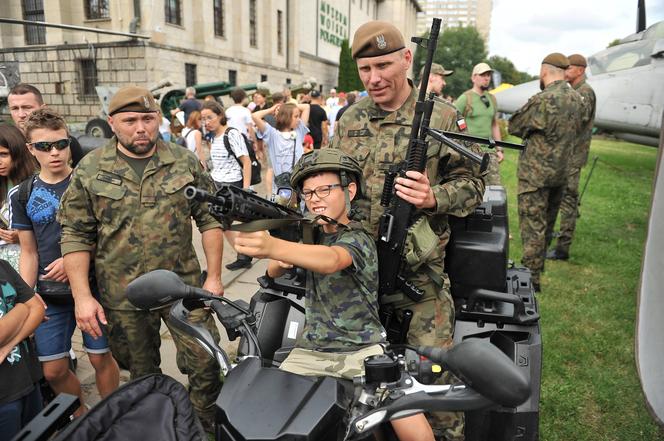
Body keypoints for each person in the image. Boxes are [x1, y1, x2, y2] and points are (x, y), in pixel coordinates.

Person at [330, 21, 485, 441]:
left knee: (435, 394)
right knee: (350, 392)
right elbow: (330, 181)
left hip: (420, 282)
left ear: (407, 58)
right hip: (357, 278)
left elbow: (474, 185)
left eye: (383, 65)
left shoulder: (445, 116)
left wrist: (432, 196)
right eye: (364, 69)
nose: (374, 78)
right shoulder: (350, 118)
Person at [234, 149, 434, 441]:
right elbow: (274, 273)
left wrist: (273, 247)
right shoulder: (310, 235)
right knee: (269, 414)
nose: (315, 198)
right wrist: (280, 256)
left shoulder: (358, 237)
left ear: (349, 190)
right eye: (308, 192)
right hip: (311, 350)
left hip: (363, 349)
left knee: (412, 424)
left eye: (325, 189)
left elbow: (332, 260)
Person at [57, 86, 223, 430]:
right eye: (130, 120)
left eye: (148, 118)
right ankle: (157, 431)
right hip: (124, 296)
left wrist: (215, 277)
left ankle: (203, 429)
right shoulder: (90, 169)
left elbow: (209, 218)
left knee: (208, 364)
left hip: (183, 288)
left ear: (158, 119)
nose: (141, 127)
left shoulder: (183, 160)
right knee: (141, 376)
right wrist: (82, 298)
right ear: (111, 123)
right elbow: (75, 234)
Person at [10, 108, 120, 416]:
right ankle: (80, 416)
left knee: (100, 357)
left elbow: (111, 237)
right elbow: (29, 252)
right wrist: (27, 298)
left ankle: (113, 414)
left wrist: (76, 261)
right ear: (31, 149)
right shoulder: (23, 194)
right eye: (45, 146)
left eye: (61, 143)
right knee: (54, 370)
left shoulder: (92, 184)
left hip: (92, 288)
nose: (55, 152)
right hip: (49, 294)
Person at [509, 53, 583, 293]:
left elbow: (515, 125)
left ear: (544, 72)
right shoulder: (577, 98)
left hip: (536, 174)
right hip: (561, 173)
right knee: (547, 226)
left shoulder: (543, 99)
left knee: (533, 228)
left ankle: (530, 281)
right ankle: (537, 271)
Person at [546, 53, 597, 261]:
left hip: (573, 157)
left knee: (568, 200)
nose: (565, 71)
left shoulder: (585, 92)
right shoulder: (575, 91)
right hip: (565, 155)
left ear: (581, 70)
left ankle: (562, 247)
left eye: (570, 68)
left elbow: (576, 120)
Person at [201, 100, 253, 271]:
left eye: (210, 117)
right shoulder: (213, 137)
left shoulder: (231, 134)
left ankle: (245, 253)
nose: (206, 122)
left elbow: (246, 162)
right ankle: (243, 254)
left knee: (231, 222)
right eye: (203, 119)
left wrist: (246, 189)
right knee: (224, 224)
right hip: (218, 184)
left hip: (232, 185)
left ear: (220, 116)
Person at [0, 259, 45, 439]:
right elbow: (28, 306)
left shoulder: (3, 266)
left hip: (28, 380)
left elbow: (38, 308)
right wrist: (20, 308)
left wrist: (10, 343)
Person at [7, 83, 85, 167]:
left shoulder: (67, 143)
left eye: (27, 107)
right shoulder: (5, 145)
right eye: (15, 108)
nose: (21, 114)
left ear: (43, 108)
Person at [455, 62, 504, 186]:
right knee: (469, 190)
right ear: (473, 77)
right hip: (469, 152)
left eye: (488, 75)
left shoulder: (492, 99)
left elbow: (494, 124)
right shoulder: (465, 98)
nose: (487, 78)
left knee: (494, 190)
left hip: (489, 152)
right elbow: (453, 120)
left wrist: (499, 149)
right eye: (483, 75)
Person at [252, 101, 310, 195]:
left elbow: (306, 106)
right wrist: (272, 109)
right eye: (295, 116)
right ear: (286, 117)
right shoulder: (272, 134)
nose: (298, 119)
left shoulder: (298, 131)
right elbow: (255, 116)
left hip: (299, 183)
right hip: (281, 188)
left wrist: (285, 106)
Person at [0, 125, 36, 270]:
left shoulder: (34, 184)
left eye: (4, 154)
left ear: (18, 152)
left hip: (29, 263)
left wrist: (21, 236)